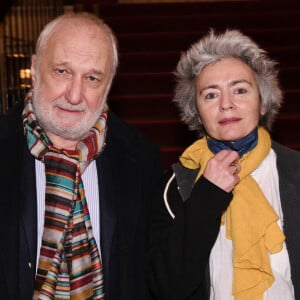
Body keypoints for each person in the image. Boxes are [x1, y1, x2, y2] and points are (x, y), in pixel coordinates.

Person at [0, 12, 163, 300]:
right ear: (35, 68)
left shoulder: (142, 160)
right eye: (62, 71)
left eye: (92, 77)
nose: (75, 95)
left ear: (109, 84)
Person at [148, 29, 300, 300]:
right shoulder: (172, 189)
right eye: (210, 95)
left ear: (262, 102)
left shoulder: (295, 172)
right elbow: (168, 288)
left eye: (240, 90)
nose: (226, 105)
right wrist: (207, 195)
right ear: (195, 111)